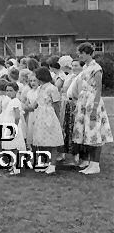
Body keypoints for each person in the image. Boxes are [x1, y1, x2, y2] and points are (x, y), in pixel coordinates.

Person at [70, 43, 113, 174]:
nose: (79, 56)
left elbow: (98, 89)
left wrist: (94, 108)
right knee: (87, 133)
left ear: (87, 53)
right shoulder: (86, 67)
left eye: (81, 53)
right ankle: (91, 163)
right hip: (84, 101)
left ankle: (95, 164)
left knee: (94, 133)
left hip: (92, 101)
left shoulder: (96, 68)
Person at [28, 67, 64, 175]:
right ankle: (45, 162)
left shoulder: (52, 88)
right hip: (40, 115)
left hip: (50, 115)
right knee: (42, 140)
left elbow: (57, 105)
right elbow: (35, 104)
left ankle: (52, 165)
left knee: (52, 141)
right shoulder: (40, 89)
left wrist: (58, 120)